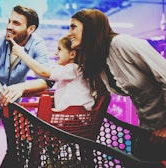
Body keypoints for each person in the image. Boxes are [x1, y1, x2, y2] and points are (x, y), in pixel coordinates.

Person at [68, 8, 166, 161]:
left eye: (73, 27)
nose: (69, 33)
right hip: (147, 130)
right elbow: (100, 96)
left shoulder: (122, 44)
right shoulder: (99, 58)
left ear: (90, 27)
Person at [0, 5, 51, 168]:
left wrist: (22, 87)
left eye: (16, 23)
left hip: (15, 103)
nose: (9, 26)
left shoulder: (38, 45)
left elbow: (46, 81)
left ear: (30, 29)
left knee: (16, 148)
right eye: (9, 21)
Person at [9, 36, 95, 112]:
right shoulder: (68, 70)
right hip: (73, 117)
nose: (56, 53)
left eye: (59, 49)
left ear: (72, 54)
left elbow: (43, 72)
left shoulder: (73, 69)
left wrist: (21, 54)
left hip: (74, 118)